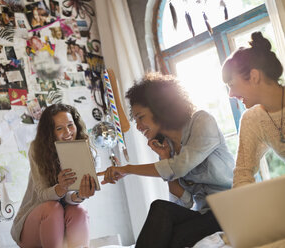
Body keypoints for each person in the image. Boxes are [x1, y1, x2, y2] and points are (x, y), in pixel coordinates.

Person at [98, 72, 234, 247]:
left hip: (230, 209)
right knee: (161, 209)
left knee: (174, 237)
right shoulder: (168, 148)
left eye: (140, 117)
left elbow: (179, 167)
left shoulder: (201, 121)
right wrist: (164, 157)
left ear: (159, 108)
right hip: (206, 214)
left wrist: (127, 169)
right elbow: (184, 201)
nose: (138, 127)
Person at [10, 104, 97, 248]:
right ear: (50, 132)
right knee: (53, 208)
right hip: (34, 223)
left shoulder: (86, 151)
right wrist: (61, 187)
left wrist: (80, 194)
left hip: (62, 226)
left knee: (79, 211)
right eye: (59, 128)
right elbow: (43, 195)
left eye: (70, 125)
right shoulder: (37, 149)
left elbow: (71, 198)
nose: (68, 132)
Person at [222, 31, 285, 188]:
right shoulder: (252, 119)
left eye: (231, 84)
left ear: (254, 76)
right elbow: (242, 173)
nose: (230, 94)